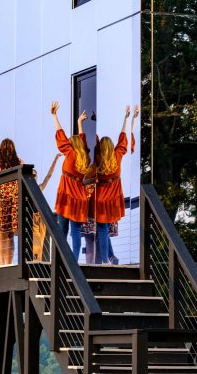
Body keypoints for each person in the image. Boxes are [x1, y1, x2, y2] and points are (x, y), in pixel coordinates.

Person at [92, 105, 137, 264]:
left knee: (102, 229)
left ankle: (105, 260)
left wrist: (91, 124)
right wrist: (128, 119)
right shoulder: (117, 156)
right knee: (104, 229)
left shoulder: (98, 159)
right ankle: (111, 256)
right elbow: (123, 138)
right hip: (113, 198)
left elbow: (94, 141)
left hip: (100, 197)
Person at [51, 102, 93, 259]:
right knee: (75, 232)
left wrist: (54, 116)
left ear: (71, 145)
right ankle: (74, 260)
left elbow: (60, 135)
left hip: (67, 195)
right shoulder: (84, 158)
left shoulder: (70, 153)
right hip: (79, 196)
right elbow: (82, 140)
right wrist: (79, 123)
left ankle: (59, 259)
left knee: (62, 229)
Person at [31, 155, 61, 260]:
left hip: (41, 217)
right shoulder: (26, 187)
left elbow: (49, 175)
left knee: (42, 240)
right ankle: (35, 261)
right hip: (33, 216)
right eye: (32, 175)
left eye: (35, 175)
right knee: (36, 240)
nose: (34, 176)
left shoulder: (39, 187)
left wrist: (55, 160)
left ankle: (39, 261)